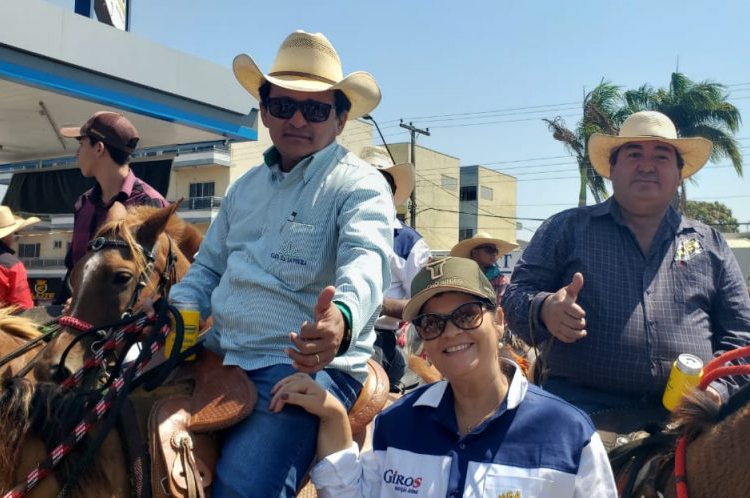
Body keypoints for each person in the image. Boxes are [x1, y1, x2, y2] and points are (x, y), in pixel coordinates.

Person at [160, 30, 394, 497]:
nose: (298, 120)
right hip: (219, 351)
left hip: (298, 366)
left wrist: (341, 317)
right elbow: (207, 268)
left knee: (243, 490)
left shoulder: (360, 184)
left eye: (316, 109)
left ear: (341, 119)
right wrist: (184, 307)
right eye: (284, 106)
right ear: (265, 112)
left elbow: (366, 259)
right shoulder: (244, 188)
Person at [501, 111, 750, 434]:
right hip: (580, 412)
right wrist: (545, 309)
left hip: (690, 418)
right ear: (612, 169)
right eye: (634, 154)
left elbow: (745, 340)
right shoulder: (567, 228)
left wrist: (717, 390)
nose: (647, 165)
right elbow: (514, 295)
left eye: (661, 155)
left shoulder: (711, 244)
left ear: (679, 173)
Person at [272, 257, 618, 497]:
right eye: (432, 323)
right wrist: (332, 413)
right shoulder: (396, 424)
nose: (450, 332)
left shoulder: (569, 433)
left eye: (466, 314)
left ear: (499, 321)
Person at [55, 111, 168, 303]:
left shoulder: (150, 204)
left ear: (99, 148)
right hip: (75, 316)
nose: (77, 153)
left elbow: (157, 279)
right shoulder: (83, 204)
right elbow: (73, 268)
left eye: (81, 145)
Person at [359, 145, 430, 393]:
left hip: (375, 339)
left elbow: (425, 304)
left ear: (391, 191)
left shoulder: (407, 243)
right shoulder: (336, 230)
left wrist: (369, 302)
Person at [449, 231, 518, 299]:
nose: (494, 254)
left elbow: (499, 307)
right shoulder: (461, 280)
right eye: (489, 249)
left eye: (495, 251)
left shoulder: (501, 281)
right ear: (475, 253)